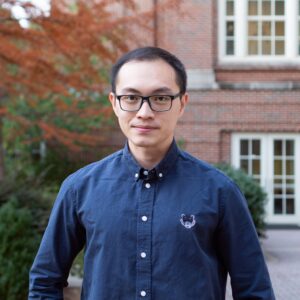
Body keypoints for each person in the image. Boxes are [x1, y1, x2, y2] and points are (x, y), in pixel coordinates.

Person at [29, 47, 275, 299]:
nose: (144, 113)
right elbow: (44, 282)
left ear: (182, 104)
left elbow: (254, 290)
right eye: (131, 98)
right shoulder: (79, 189)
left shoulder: (219, 191)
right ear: (114, 103)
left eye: (160, 99)